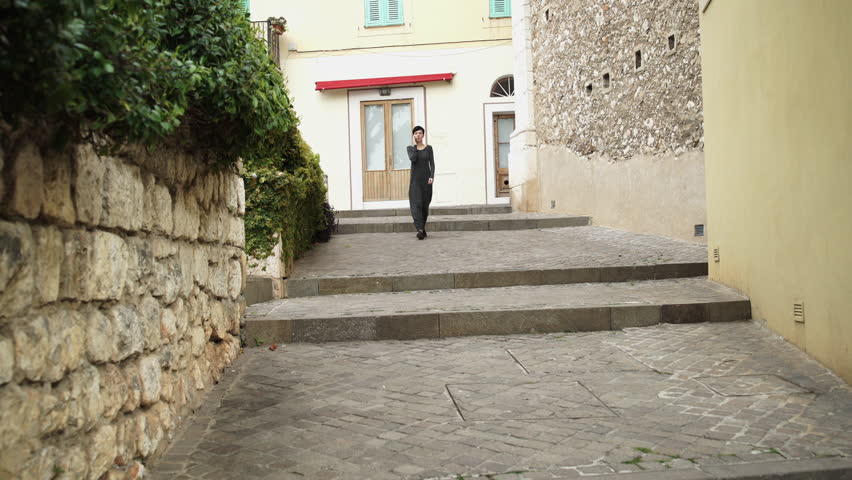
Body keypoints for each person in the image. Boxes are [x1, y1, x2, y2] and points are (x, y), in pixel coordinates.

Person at [406, 125, 434, 240]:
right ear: (413, 135)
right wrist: (415, 147)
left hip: (426, 180)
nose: (418, 135)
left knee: (424, 206)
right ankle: (420, 230)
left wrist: (432, 176)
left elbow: (432, 163)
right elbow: (413, 158)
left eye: (420, 133)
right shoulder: (410, 149)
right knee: (416, 205)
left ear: (423, 135)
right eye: (416, 133)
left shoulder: (429, 148)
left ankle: (422, 228)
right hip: (415, 181)